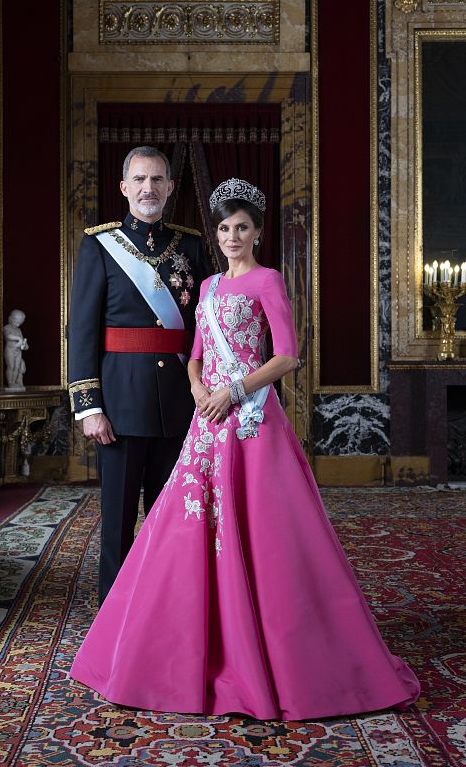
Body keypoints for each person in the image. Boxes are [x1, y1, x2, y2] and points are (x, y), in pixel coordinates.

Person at [69, 177, 420, 720]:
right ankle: (184, 641)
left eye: (242, 229)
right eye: (225, 229)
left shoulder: (268, 282)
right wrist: (198, 390)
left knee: (261, 531)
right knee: (186, 529)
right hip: (207, 420)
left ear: (257, 233)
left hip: (251, 420)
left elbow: (288, 357)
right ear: (217, 233)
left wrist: (234, 391)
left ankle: (273, 643)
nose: (232, 237)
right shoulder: (207, 287)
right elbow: (193, 353)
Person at [68, 146, 210, 605]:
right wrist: (88, 406)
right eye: (140, 180)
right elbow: (83, 330)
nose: (148, 189)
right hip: (120, 404)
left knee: (175, 516)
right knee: (118, 520)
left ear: (170, 188)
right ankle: (115, 613)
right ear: (124, 188)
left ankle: (169, 608)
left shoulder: (190, 246)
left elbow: (205, 329)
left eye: (157, 180)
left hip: (180, 403)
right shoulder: (99, 244)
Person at [3, 309, 28, 389]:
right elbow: (8, 336)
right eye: (16, 321)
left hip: (18, 351)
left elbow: (22, 340)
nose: (18, 324)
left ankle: (15, 382)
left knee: (17, 367)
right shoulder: (7, 327)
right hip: (10, 350)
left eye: (20, 322)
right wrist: (18, 338)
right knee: (11, 366)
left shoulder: (18, 330)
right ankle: (10, 382)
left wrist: (24, 345)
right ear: (11, 319)